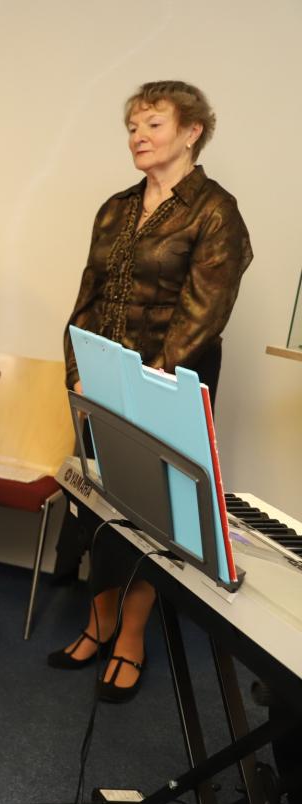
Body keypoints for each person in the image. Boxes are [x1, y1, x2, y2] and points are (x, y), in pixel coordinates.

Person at [47, 81, 252, 702]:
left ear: (192, 132)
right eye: (133, 126)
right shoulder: (115, 208)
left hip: (169, 384)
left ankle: (131, 637)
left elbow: (204, 312)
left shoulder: (215, 210)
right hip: (101, 381)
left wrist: (142, 389)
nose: (138, 136)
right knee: (99, 504)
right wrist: (78, 371)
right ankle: (98, 623)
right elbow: (86, 297)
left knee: (150, 518)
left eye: (153, 124)